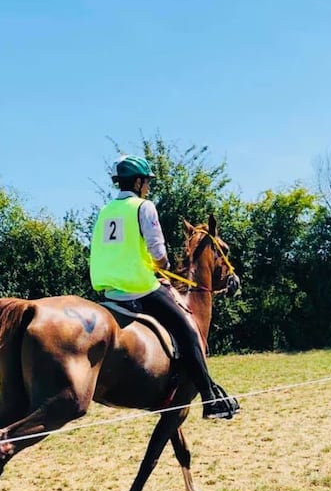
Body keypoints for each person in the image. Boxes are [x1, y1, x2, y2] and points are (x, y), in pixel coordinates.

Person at [89, 154, 240, 420]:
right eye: (146, 181)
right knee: (188, 331)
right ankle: (209, 399)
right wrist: (161, 265)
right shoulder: (143, 207)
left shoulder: (105, 211)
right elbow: (158, 253)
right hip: (139, 287)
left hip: (109, 291)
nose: (147, 186)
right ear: (137, 182)